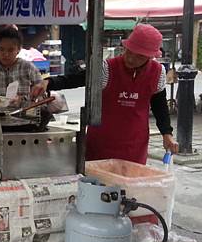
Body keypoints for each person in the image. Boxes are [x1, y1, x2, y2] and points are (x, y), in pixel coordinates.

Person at [31, 24, 179, 164]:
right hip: (102, 142)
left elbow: (160, 107)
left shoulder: (158, 72)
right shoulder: (107, 68)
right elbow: (76, 79)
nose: (131, 59)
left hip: (135, 143)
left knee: (129, 187)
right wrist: (48, 82)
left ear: (151, 56)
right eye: (129, 52)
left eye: (139, 56)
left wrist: (167, 134)